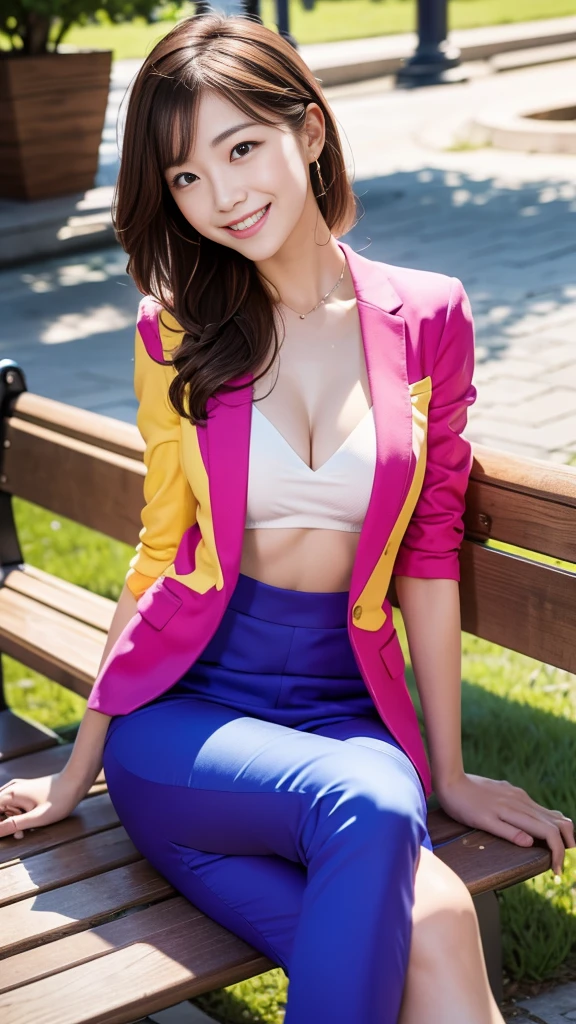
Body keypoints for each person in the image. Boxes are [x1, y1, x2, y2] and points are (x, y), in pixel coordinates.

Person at [0, 14, 573, 1024]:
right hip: (187, 719)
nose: (223, 197)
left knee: (433, 937)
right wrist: (73, 772)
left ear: (308, 132)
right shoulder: (176, 327)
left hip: (342, 714)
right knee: (374, 812)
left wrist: (448, 772)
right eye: (185, 177)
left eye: (241, 148)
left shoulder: (428, 314)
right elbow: (156, 552)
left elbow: (429, 555)